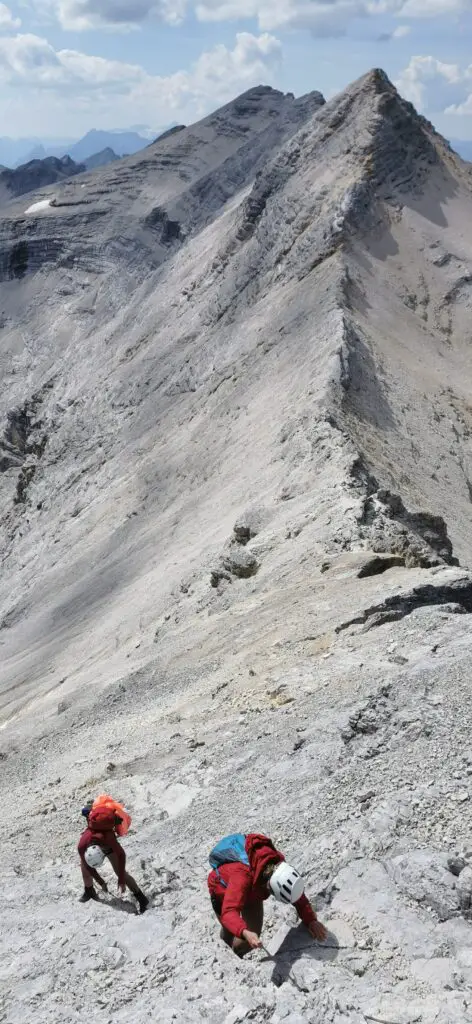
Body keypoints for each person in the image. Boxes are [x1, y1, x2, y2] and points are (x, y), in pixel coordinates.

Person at [207, 832, 328, 957]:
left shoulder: (278, 865)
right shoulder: (241, 876)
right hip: (222, 891)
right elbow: (229, 912)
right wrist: (245, 932)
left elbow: (295, 893)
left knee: (248, 939)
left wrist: (311, 920)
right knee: (230, 930)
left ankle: (237, 952)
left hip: (252, 892)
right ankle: (228, 954)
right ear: (269, 887)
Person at [78, 800, 149, 914]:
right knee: (84, 869)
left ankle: (142, 899)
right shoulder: (83, 845)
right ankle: (89, 891)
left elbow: (121, 855)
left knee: (122, 873)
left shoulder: (109, 839)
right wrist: (101, 882)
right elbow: (88, 866)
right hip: (95, 845)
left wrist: (121, 879)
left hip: (108, 846)